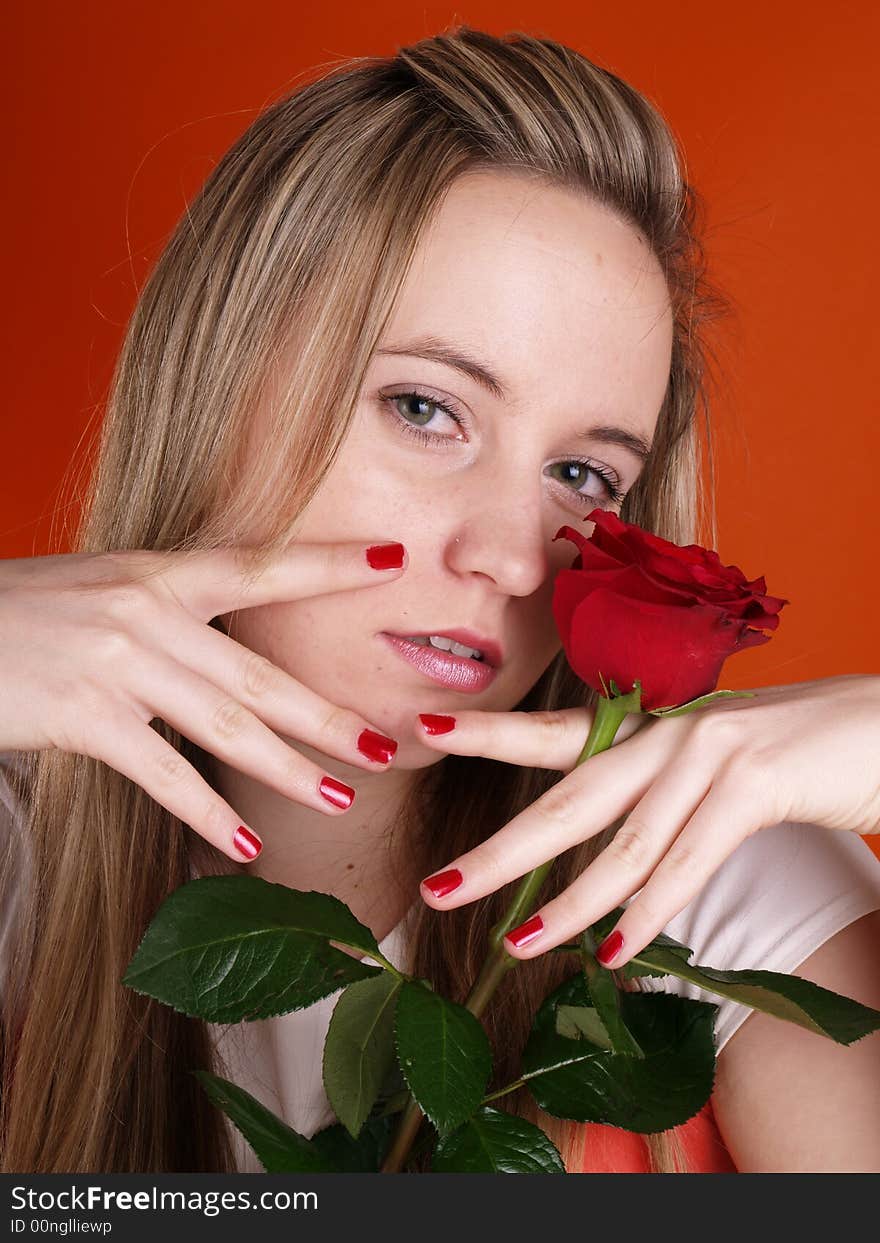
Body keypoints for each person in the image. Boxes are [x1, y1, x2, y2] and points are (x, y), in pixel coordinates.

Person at [1, 24, 879, 1175]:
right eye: (425, 409)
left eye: (580, 475)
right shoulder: (23, 863)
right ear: (217, 383)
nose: (514, 559)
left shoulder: (706, 878)